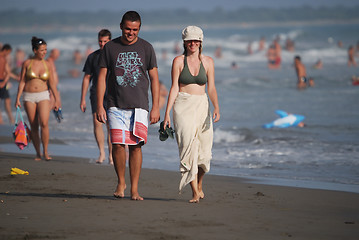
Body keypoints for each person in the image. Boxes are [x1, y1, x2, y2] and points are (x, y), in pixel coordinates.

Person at [96, 11, 160, 200]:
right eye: (127, 29)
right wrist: (100, 105)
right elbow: (101, 78)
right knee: (117, 144)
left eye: (134, 30)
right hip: (115, 104)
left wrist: (156, 107)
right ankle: (120, 182)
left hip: (139, 105)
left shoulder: (147, 48)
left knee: (136, 146)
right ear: (121, 26)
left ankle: (134, 189)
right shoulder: (110, 47)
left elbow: (154, 79)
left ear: (139, 29)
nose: (130, 33)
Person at [163, 26, 220, 203]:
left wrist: (216, 107)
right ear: (184, 42)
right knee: (188, 148)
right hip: (182, 105)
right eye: (189, 41)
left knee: (205, 152)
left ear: (201, 42)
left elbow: (211, 87)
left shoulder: (209, 62)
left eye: (196, 40)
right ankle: (195, 192)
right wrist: (166, 114)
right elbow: (173, 88)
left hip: (203, 106)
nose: (192, 44)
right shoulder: (178, 61)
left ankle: (199, 183)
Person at [15, 37, 61, 161]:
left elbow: (52, 84)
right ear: (35, 50)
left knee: (44, 123)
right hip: (29, 96)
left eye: (45, 50)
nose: (44, 52)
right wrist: (18, 98)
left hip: (43, 95)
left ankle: (46, 152)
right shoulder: (27, 63)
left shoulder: (48, 64)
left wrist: (57, 100)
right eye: (42, 50)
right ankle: (38, 153)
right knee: (34, 125)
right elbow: (22, 82)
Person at [80, 29, 113, 164]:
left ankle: (112, 155)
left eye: (105, 41)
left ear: (110, 41)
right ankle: (101, 153)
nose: (102, 44)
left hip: (112, 93)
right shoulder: (92, 57)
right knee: (97, 123)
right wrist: (82, 98)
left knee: (111, 126)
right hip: (96, 93)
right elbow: (87, 78)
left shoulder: (114, 56)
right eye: (100, 41)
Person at [0, 44, 18, 124]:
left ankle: (11, 119)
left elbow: (8, 73)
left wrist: (17, 78)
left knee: (8, 100)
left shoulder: (4, 59)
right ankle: (1, 120)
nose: (8, 54)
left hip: (3, 81)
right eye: (8, 52)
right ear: (5, 50)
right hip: (2, 81)